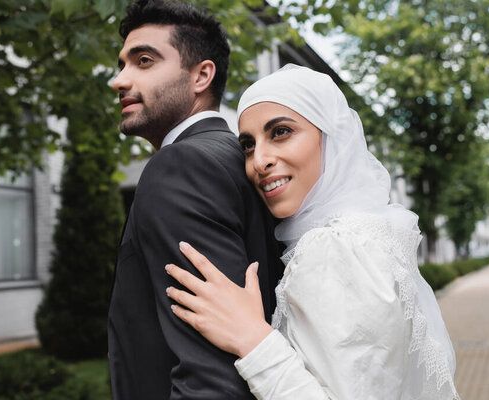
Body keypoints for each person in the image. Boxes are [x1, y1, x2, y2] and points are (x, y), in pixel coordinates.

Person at [165, 65, 460, 400]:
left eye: (280, 132)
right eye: (248, 145)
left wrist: (252, 338)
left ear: (331, 137)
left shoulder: (334, 249)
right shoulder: (365, 233)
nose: (259, 161)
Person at [107, 0, 284, 399]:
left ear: (202, 75)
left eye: (144, 61)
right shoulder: (234, 158)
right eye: (121, 65)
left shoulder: (182, 165)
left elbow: (211, 372)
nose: (119, 80)